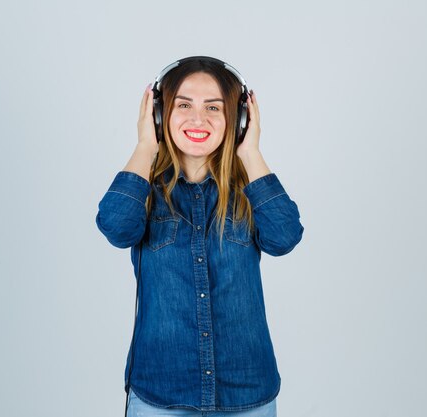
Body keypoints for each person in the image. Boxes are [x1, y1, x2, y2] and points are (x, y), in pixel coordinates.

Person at [96, 56, 304, 417]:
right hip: (161, 392)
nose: (198, 119)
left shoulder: (250, 190)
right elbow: (115, 227)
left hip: (246, 392)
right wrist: (146, 145)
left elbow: (284, 237)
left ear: (238, 120)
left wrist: (250, 152)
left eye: (214, 107)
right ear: (160, 115)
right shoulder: (145, 189)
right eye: (183, 105)